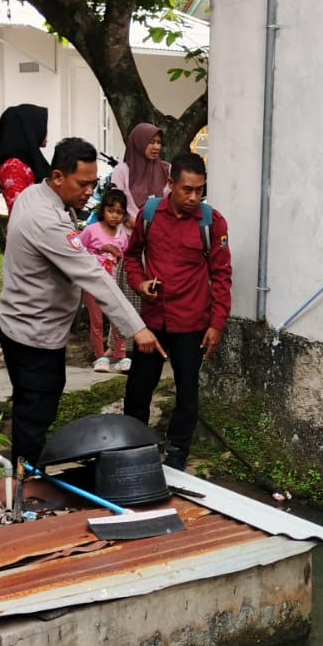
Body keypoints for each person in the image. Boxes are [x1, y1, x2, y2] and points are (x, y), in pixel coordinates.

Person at [0, 137, 164, 467]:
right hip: (34, 333)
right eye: (83, 183)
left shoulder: (35, 195)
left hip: (24, 323)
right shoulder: (46, 220)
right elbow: (93, 276)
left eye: (93, 183)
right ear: (58, 176)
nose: (90, 191)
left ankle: (26, 468)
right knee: (35, 410)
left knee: (35, 405)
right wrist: (138, 328)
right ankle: (27, 480)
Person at [123, 152, 232, 470]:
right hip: (153, 321)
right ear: (171, 184)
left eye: (200, 190)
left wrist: (217, 323)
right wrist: (140, 282)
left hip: (192, 322)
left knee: (187, 390)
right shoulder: (150, 214)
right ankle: (133, 446)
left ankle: (177, 454)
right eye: (187, 189)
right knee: (139, 388)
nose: (194, 197)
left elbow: (222, 274)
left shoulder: (213, 222)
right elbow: (132, 256)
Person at [75, 188, 132, 373]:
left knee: (118, 320)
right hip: (93, 284)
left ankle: (121, 355)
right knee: (97, 322)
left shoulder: (122, 236)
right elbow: (77, 249)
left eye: (119, 212)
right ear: (103, 211)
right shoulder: (92, 231)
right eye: (111, 211)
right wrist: (99, 252)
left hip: (113, 285)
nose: (115, 216)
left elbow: (123, 257)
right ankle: (100, 357)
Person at [0, 103, 49, 211]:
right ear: (29, 129)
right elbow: (22, 211)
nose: (46, 132)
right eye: (42, 126)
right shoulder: (13, 167)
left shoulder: (30, 160)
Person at [108, 123, 169, 220]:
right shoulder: (122, 170)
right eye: (152, 142)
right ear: (139, 142)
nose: (157, 147)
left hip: (158, 231)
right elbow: (114, 204)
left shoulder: (167, 170)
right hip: (128, 232)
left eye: (159, 142)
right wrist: (127, 220)